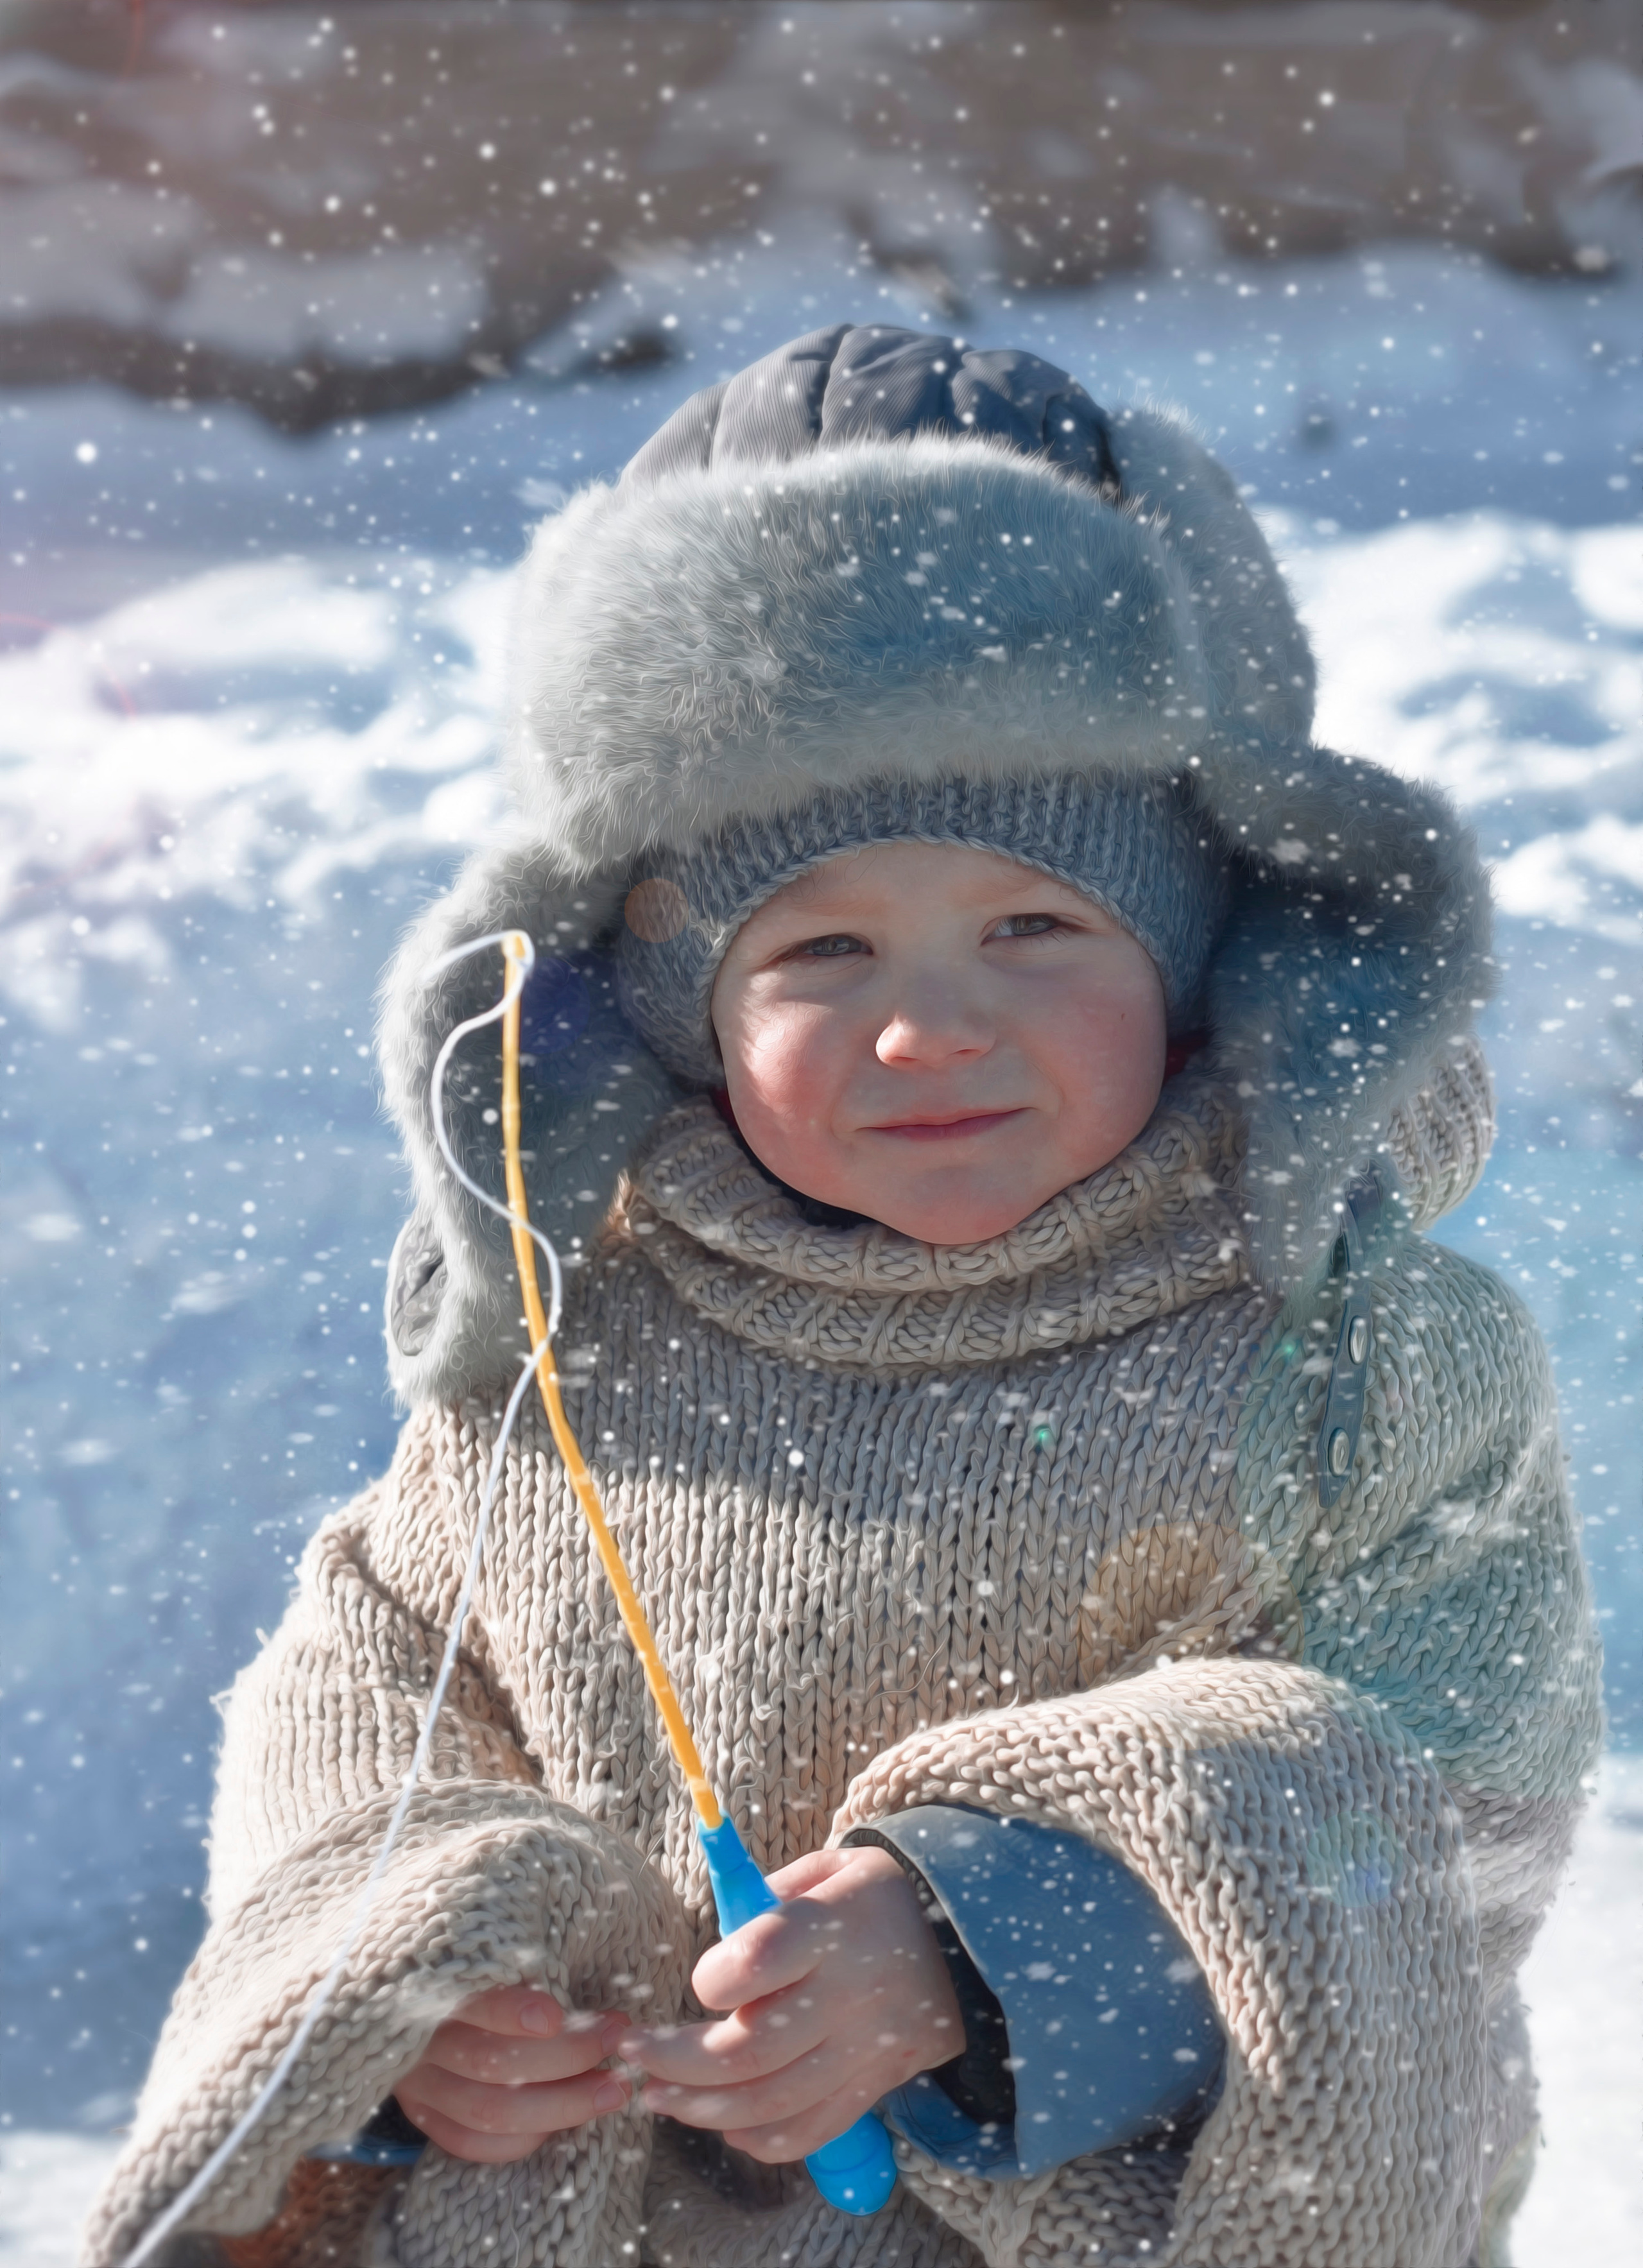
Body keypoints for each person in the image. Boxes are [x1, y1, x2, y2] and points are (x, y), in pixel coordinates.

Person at [87, 327, 1599, 2268]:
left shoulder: (1340, 1349)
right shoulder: (567, 1338)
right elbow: (383, 1686)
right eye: (820, 947)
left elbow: (1446, 1810)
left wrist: (994, 1961)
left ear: (1218, 960)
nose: (925, 1023)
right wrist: (412, 2006)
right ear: (672, 997)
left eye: (1040, 925)